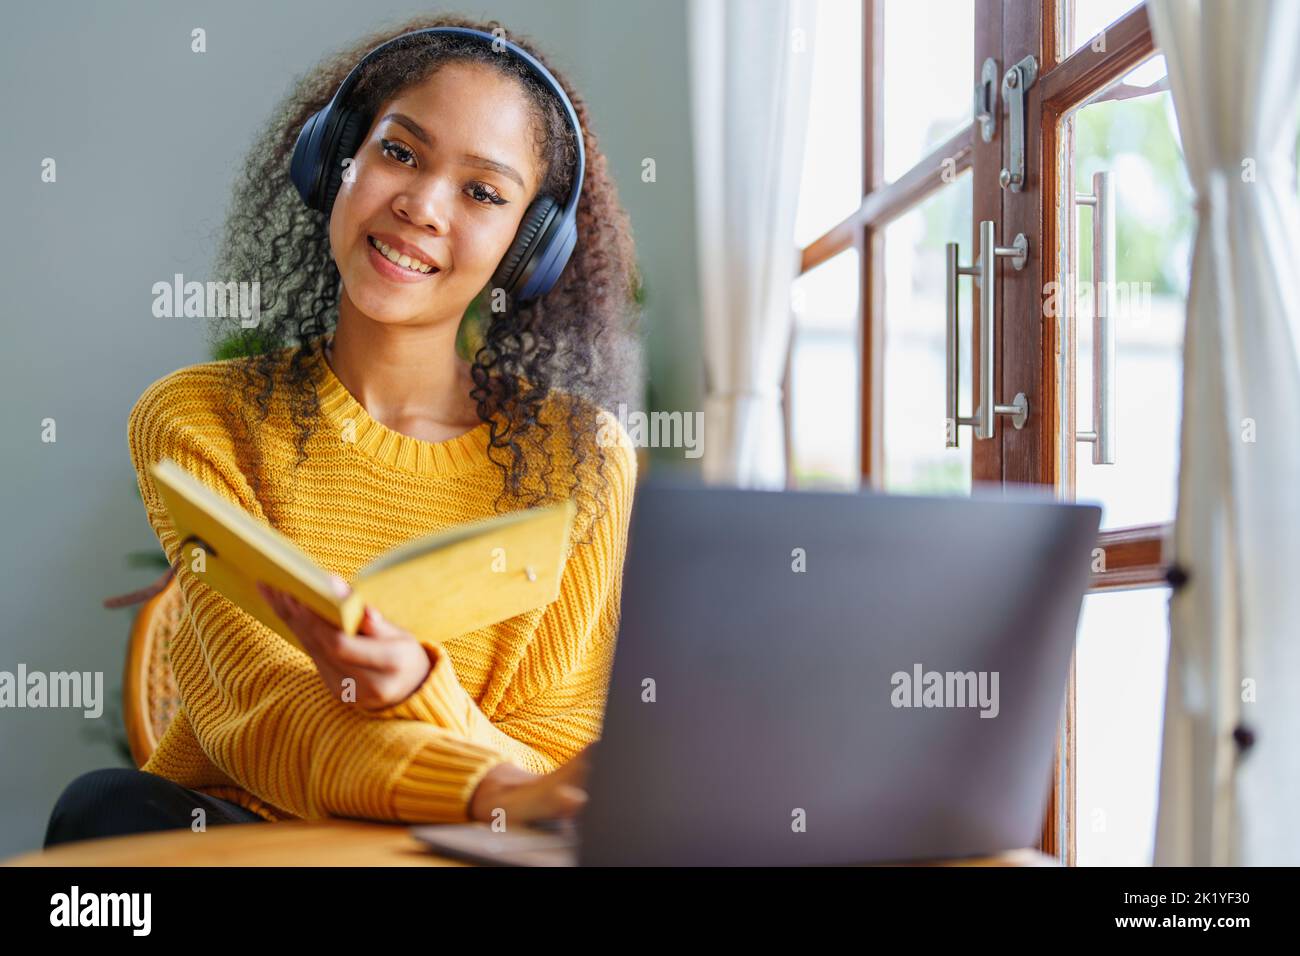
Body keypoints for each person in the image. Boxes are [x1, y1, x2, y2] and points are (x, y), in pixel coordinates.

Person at [45, 14, 641, 848]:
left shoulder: (582, 461)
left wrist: (422, 693)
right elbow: (258, 708)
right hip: (247, 840)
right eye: (400, 151)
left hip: (455, 850)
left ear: (526, 248)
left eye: (483, 192)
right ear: (335, 158)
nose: (422, 205)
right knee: (103, 810)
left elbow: (551, 768)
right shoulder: (198, 419)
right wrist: (483, 780)